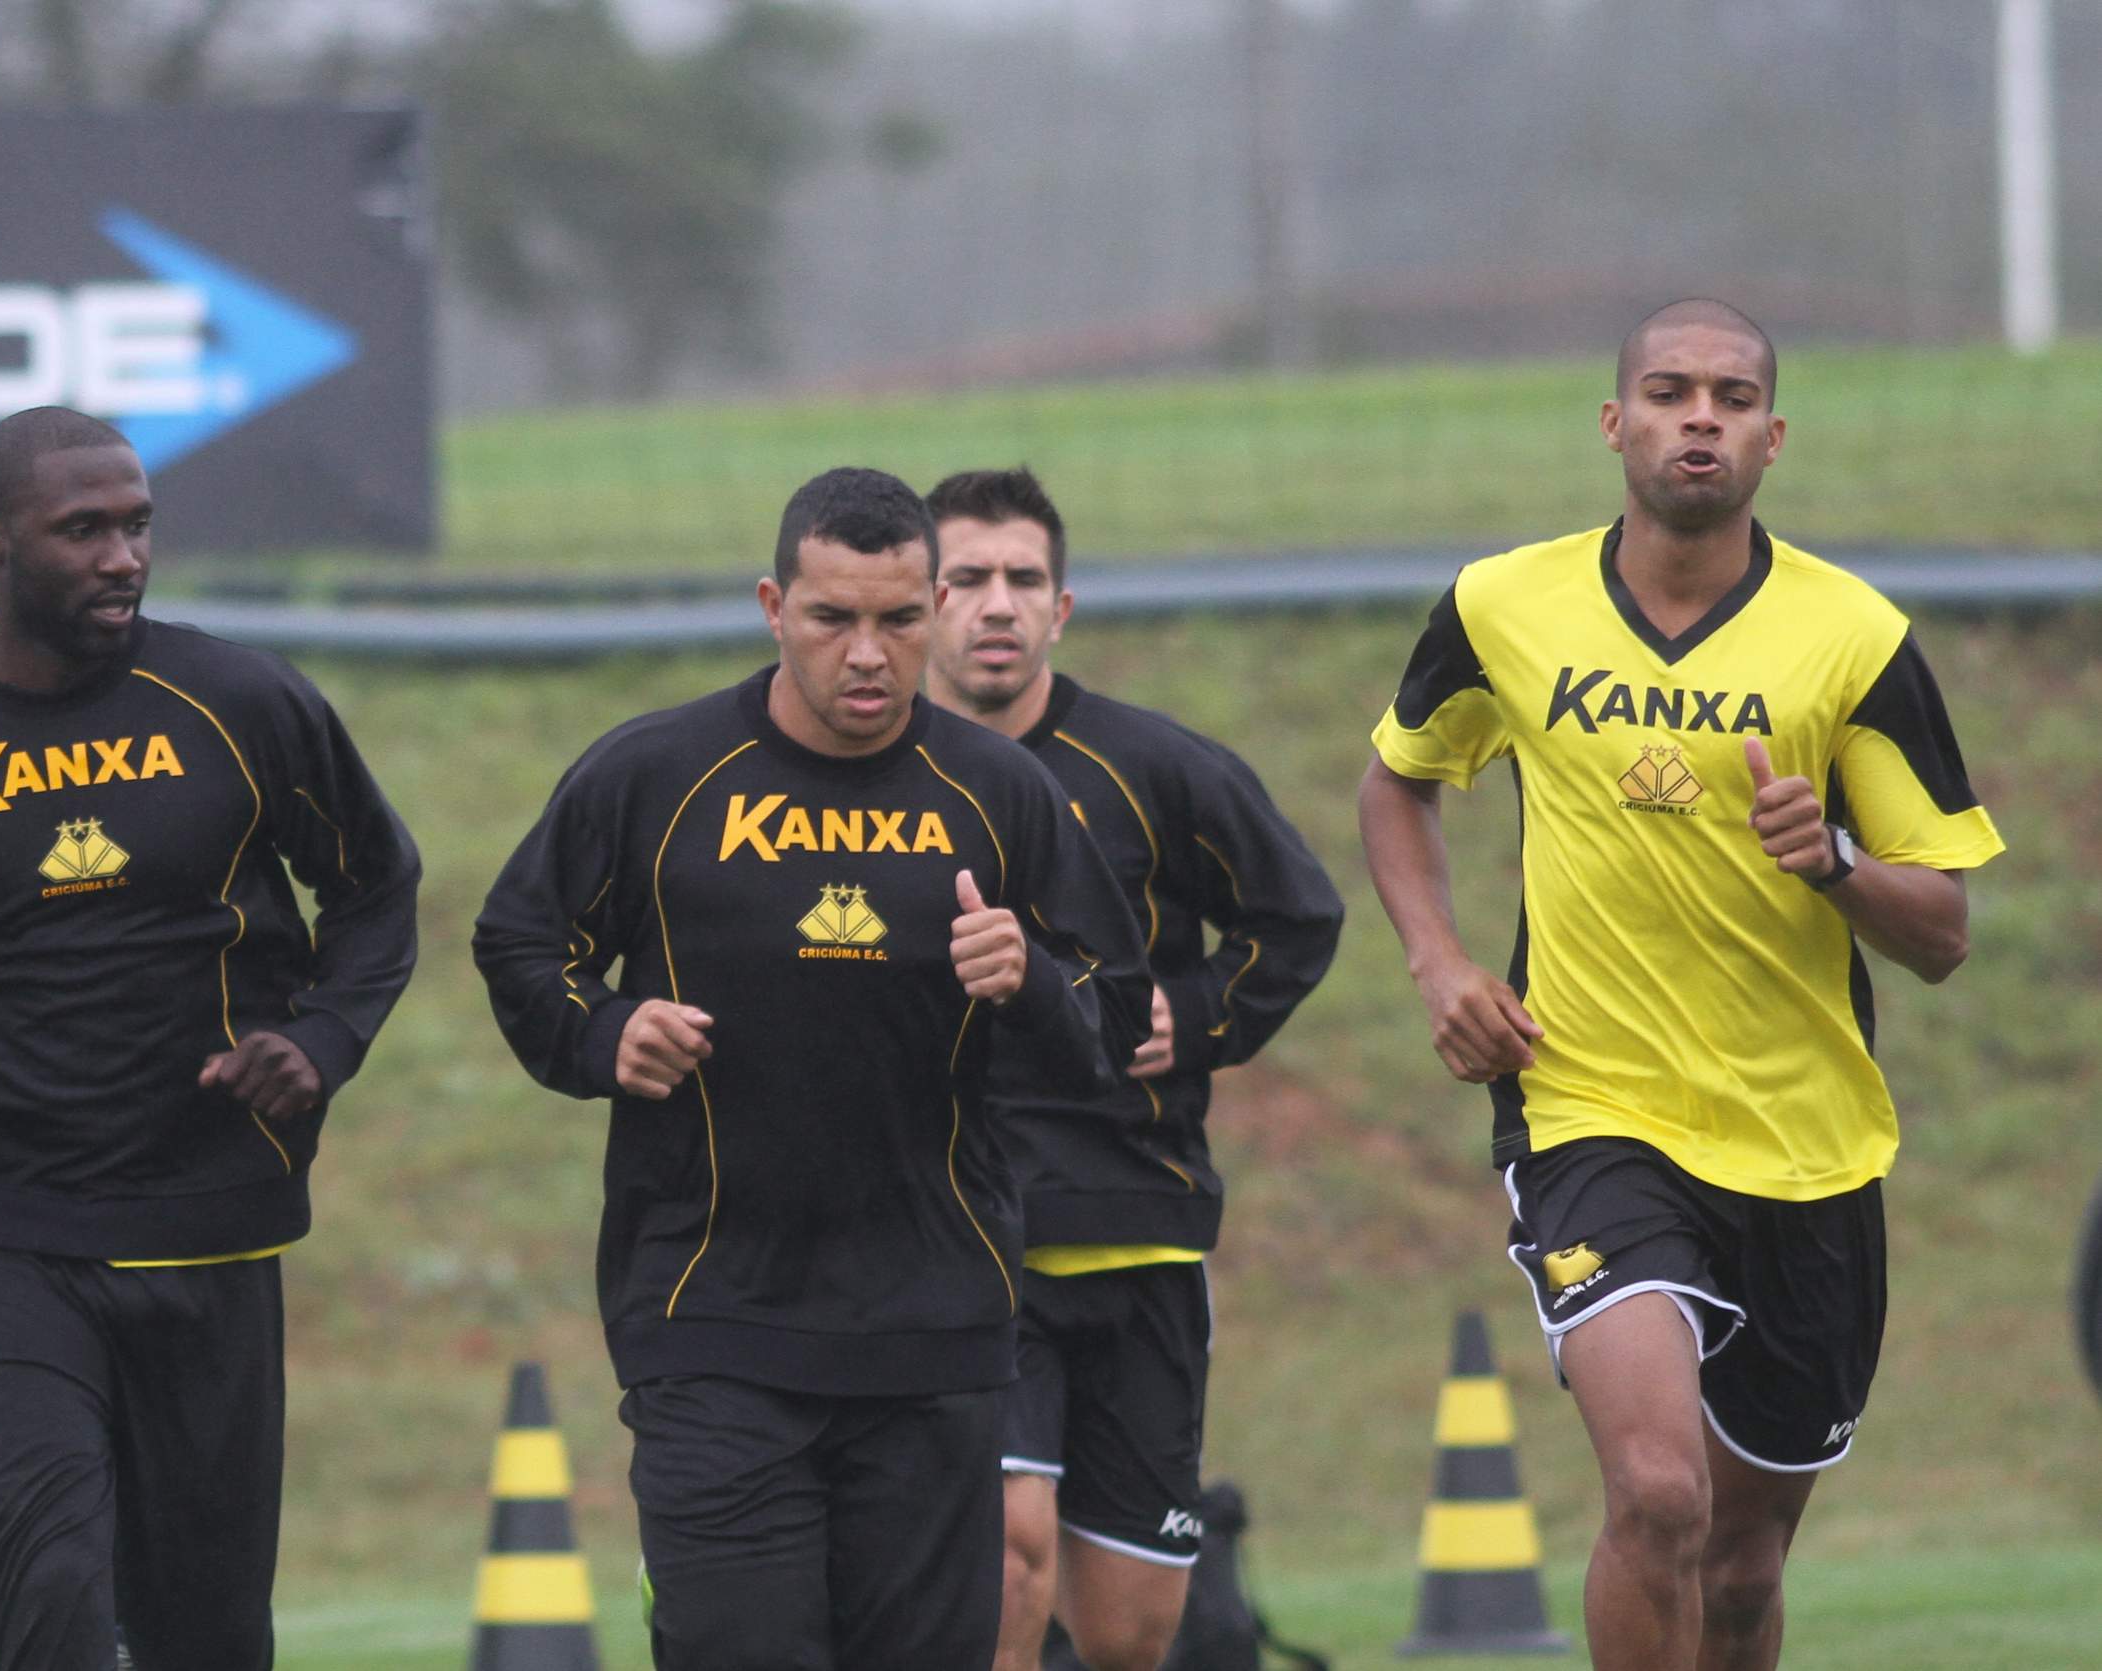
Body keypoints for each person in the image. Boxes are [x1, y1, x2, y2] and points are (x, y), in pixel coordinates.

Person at [1355, 300, 2003, 1671]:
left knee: (1743, 1567)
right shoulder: (1502, 606)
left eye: (1729, 396)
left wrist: (1833, 861)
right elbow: (1398, 781)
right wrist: (1438, 960)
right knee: (1658, 1492)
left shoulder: (1855, 638)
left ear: (1773, 436)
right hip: (1591, 1110)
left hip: (1806, 1145)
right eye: (1667, 391)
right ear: (1615, 422)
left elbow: (1943, 929)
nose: (1698, 416)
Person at [0, 405, 422, 1671]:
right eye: (83, 531)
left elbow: (375, 887)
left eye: (137, 526)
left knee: (209, 1638)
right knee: (51, 1593)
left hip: (207, 1221)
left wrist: (323, 1038)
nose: (122, 557)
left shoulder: (242, 702)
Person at [473, 466, 1154, 1671]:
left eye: (898, 619)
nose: (868, 654)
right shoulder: (654, 775)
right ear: (772, 606)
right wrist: (602, 1032)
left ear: (935, 609)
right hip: (711, 1319)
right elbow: (522, 943)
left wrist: (1029, 981)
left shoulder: (1002, 792)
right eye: (833, 618)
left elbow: (1113, 1022)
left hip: (933, 1330)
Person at [920, 468, 1344, 1671]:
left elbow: (1297, 918)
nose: (995, 604)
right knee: (1008, 1555)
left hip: (1139, 1225)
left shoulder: (1156, 768)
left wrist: (1193, 1013)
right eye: (965, 579)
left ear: (1060, 609)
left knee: (1128, 1632)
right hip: (966, 1237)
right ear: (919, 604)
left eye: (1023, 579)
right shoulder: (877, 784)